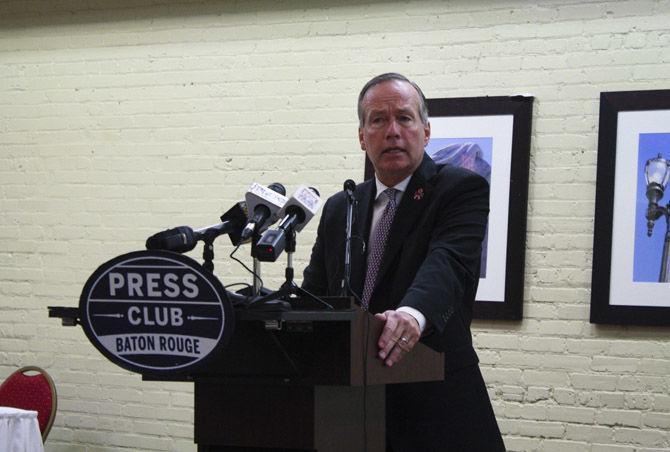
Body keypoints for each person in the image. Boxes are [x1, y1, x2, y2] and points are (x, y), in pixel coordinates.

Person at [302, 73, 505, 451]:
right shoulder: (340, 207)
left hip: (435, 406)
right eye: (378, 120)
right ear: (362, 136)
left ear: (426, 132)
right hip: (347, 411)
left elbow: (447, 263)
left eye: (405, 118)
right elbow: (316, 294)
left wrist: (411, 315)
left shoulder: (459, 189)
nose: (392, 131)